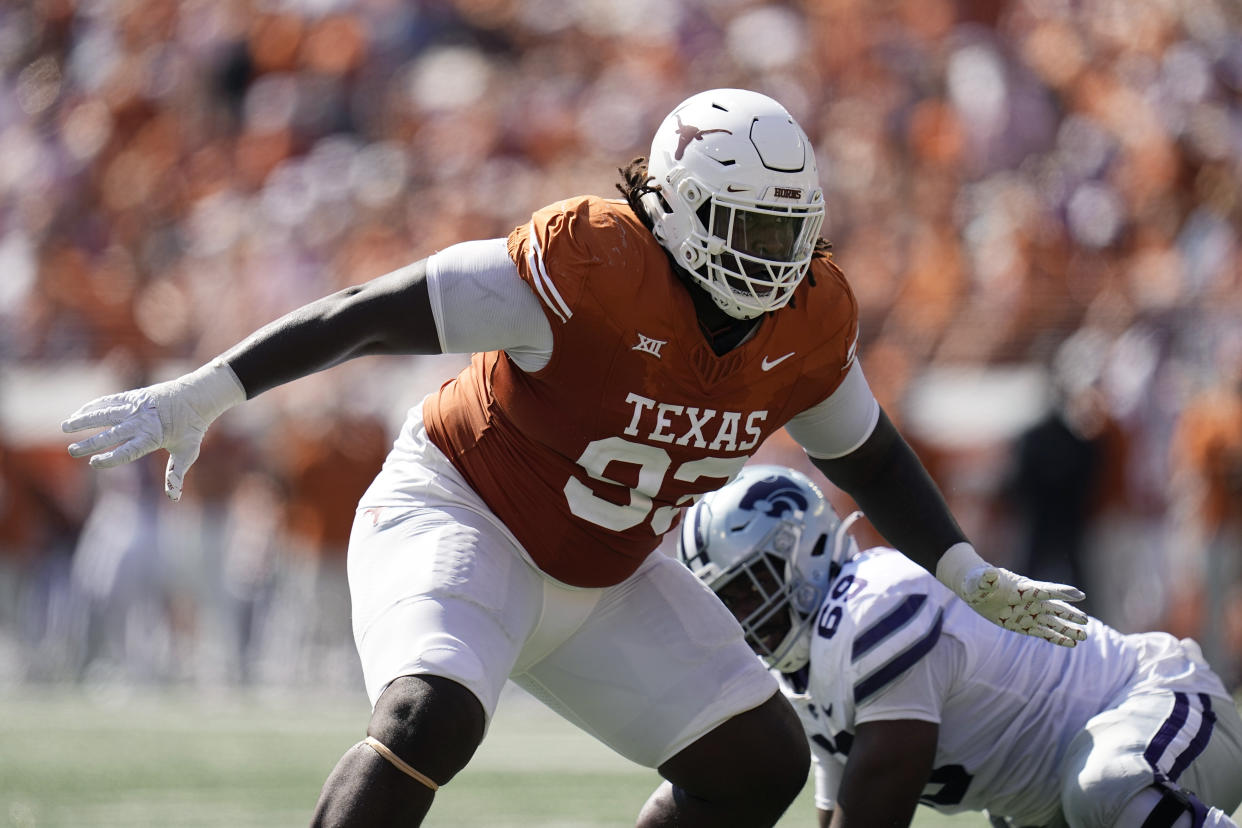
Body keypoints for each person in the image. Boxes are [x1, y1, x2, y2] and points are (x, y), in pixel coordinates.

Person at [61, 88, 1087, 828]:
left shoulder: (807, 319)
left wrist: (968, 573)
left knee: (758, 763)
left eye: (791, 232)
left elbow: (870, 458)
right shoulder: (588, 262)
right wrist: (210, 390)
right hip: (465, 511)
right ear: (677, 207)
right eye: (747, 226)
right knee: (429, 718)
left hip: (608, 573)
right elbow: (364, 314)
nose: (774, 258)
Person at [678, 464, 1242, 828]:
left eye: (748, 591)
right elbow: (838, 812)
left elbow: (876, 807)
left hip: (1165, 708)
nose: (741, 617)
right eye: (724, 601)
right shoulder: (807, 672)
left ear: (801, 555)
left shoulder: (874, 606)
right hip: (1054, 809)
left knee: (1104, 786)